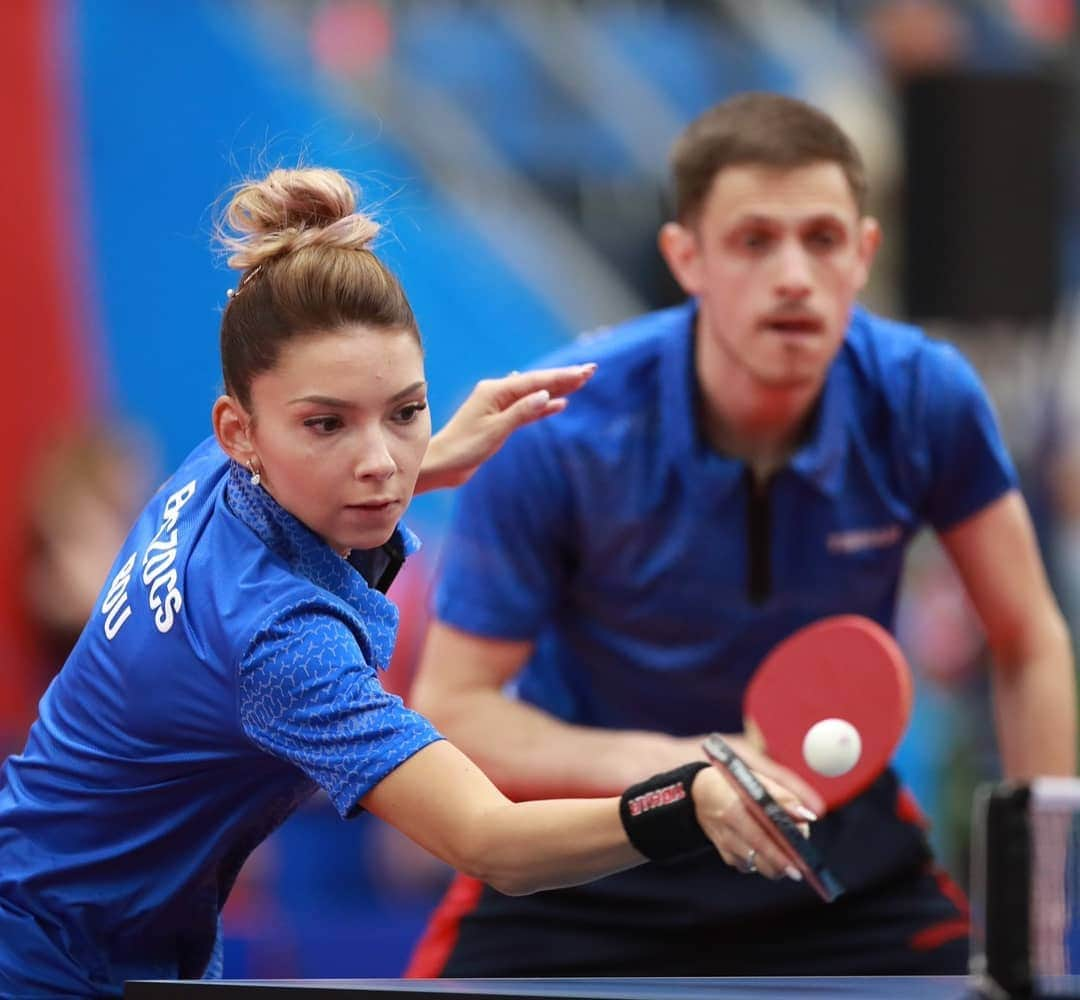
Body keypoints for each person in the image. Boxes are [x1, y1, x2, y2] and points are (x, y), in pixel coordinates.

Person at [0, 167, 810, 997]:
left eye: (405, 411)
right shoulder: (282, 645)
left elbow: (313, 485)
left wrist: (442, 457)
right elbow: (491, 843)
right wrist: (684, 805)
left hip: (83, 915)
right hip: (54, 965)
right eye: (328, 423)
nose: (380, 462)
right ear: (239, 431)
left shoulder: (210, 478)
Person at [406, 92, 1077, 977]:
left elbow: (1027, 639)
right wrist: (692, 772)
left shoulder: (924, 398)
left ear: (864, 254)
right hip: (590, 850)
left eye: (823, 239)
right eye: (755, 240)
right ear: (686, 257)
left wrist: (1037, 908)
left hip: (832, 848)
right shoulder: (560, 426)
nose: (794, 275)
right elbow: (454, 709)